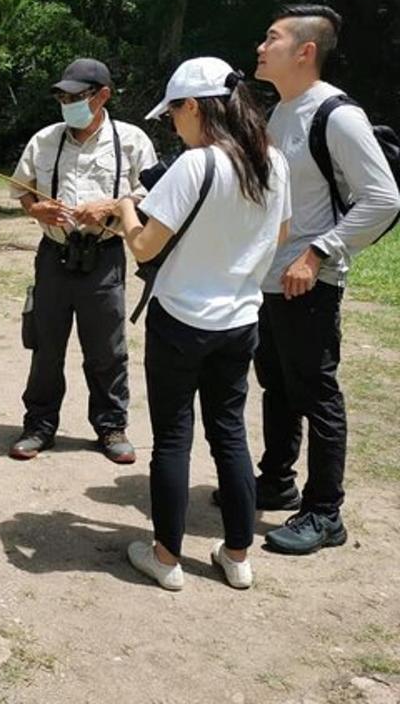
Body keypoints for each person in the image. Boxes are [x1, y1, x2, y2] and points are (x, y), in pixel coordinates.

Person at [115, 56, 291, 590]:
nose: (172, 124)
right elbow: (280, 236)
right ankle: (238, 555)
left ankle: (166, 559)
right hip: (240, 322)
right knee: (230, 434)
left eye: (173, 114)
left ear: (194, 106)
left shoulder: (196, 165)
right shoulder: (273, 162)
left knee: (173, 438)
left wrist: (126, 207)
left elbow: (145, 243)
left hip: (181, 321)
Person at [240, 4, 400, 554]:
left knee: (316, 394)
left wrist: (318, 253)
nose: (261, 46)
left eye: (272, 37)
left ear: (305, 51)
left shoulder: (336, 115)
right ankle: (277, 482)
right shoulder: (283, 111)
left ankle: (325, 512)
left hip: (311, 283)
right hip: (272, 282)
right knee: (277, 388)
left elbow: (383, 198)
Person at [9, 58, 158, 463]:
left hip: (104, 257)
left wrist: (113, 204)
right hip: (53, 257)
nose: (67, 103)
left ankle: (111, 427)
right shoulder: (44, 140)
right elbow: (22, 189)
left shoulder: (131, 140)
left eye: (76, 97)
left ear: (103, 95)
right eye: (62, 96)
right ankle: (39, 425)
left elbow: (155, 193)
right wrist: (36, 209)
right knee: (45, 344)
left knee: (107, 349)